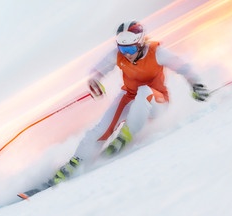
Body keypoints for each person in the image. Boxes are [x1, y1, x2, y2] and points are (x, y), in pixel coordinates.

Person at [48, 20, 209, 186]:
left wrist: (196, 84)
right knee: (101, 128)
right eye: (122, 49)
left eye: (130, 49)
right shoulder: (117, 55)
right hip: (129, 97)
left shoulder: (156, 52)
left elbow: (183, 67)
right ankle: (76, 162)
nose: (127, 54)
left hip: (157, 101)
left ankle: (126, 134)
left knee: (144, 91)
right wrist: (95, 80)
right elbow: (97, 70)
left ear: (140, 44)